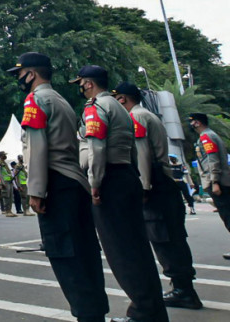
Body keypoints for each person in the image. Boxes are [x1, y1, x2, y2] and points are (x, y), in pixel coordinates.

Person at [10, 52, 109, 322]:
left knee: (66, 257)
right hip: (74, 182)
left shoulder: (35, 100)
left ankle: (87, 315)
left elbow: (37, 147)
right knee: (85, 252)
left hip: (55, 183)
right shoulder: (61, 100)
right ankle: (96, 312)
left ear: (31, 74)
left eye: (20, 74)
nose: (19, 80)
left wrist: (36, 190)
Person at [73, 65, 167, 322]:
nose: (80, 88)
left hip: (110, 181)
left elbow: (97, 148)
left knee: (122, 252)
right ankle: (153, 310)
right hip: (126, 176)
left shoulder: (96, 108)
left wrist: (94, 184)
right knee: (137, 248)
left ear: (88, 83)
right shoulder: (123, 111)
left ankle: (144, 312)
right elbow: (134, 150)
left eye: (80, 83)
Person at [112, 83, 201, 310]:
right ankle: (183, 287)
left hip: (155, 186)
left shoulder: (137, 118)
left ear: (122, 99)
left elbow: (142, 153)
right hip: (162, 184)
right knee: (171, 238)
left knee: (165, 239)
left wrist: (143, 186)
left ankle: (184, 290)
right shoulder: (146, 115)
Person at [189, 112, 230, 259]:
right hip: (220, 181)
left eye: (192, 122)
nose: (191, 125)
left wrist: (215, 182)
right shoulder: (209, 136)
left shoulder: (207, 137)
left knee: (228, 216)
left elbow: (213, 160)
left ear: (198, 123)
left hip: (219, 183)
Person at [0, 151, 16, 217]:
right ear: (1, 156)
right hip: (5, 182)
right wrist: (2, 183)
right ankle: (7, 211)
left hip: (10, 181)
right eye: (4, 155)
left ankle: (10, 210)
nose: (5, 156)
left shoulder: (4, 163)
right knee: (6, 196)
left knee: (10, 196)